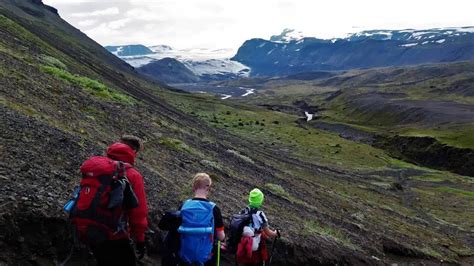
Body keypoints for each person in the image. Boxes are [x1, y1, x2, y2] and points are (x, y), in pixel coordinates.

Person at [89, 135, 149, 266]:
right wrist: (140, 239)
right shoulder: (132, 175)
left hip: (87, 227)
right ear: (133, 152)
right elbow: (138, 212)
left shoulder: (96, 166)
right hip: (114, 233)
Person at [178, 173, 225, 266]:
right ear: (209, 188)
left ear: (193, 187)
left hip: (184, 255)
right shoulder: (214, 208)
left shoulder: (184, 206)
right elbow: (221, 236)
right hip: (206, 258)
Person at [237, 188, 279, 266]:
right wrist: (275, 233)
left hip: (243, 245)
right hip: (255, 246)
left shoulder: (243, 211)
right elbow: (268, 232)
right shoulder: (260, 215)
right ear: (260, 201)